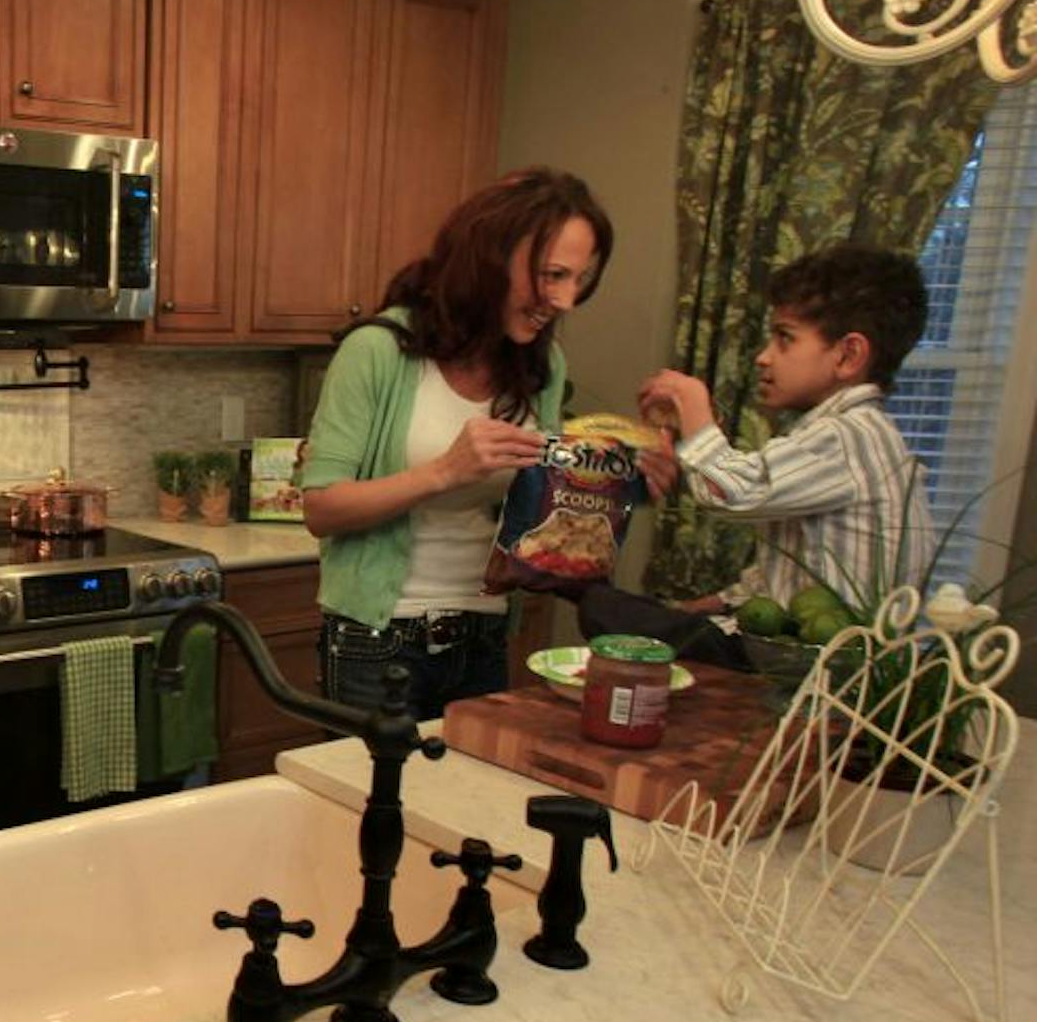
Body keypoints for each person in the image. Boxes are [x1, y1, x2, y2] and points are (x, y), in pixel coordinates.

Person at [295, 168, 615, 720]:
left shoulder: (542, 365)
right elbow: (322, 508)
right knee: (375, 805)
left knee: (461, 803)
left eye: (578, 280)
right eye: (553, 275)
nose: (565, 300)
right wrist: (445, 470)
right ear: (490, 257)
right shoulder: (378, 351)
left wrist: (612, 479)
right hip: (378, 640)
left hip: (485, 631)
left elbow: (538, 515)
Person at [593, 243, 937, 652]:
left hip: (821, 667)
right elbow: (789, 570)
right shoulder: (860, 435)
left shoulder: (846, 438)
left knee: (601, 606)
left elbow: (733, 493)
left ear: (848, 355)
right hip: (804, 648)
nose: (763, 357)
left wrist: (693, 406)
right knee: (639, 616)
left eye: (784, 339)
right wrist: (709, 604)